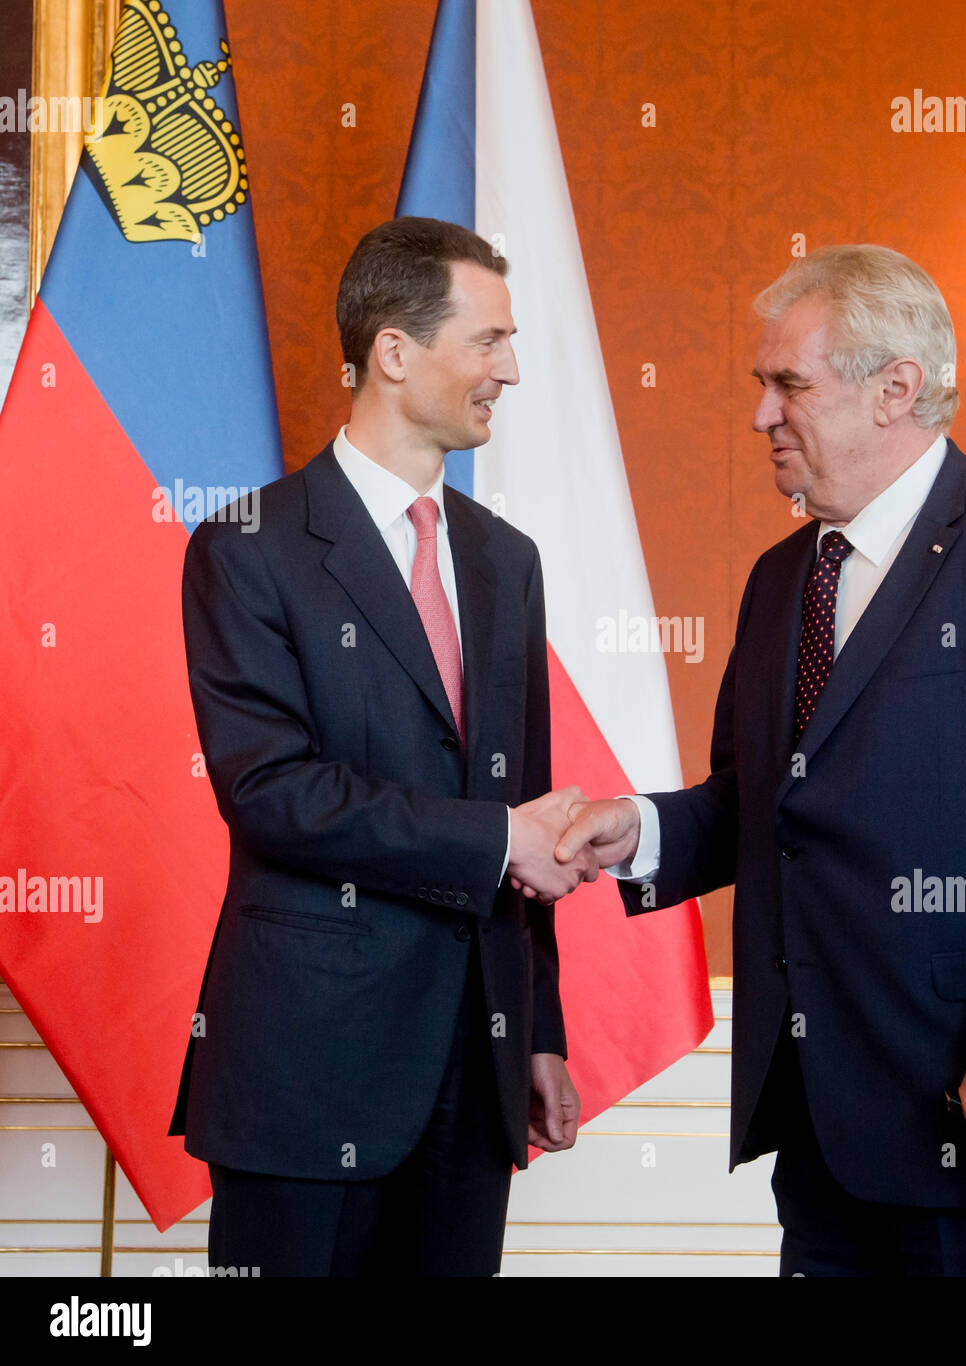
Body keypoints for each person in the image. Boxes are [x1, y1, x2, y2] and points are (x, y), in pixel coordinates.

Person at [552, 244, 966, 1276]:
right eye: (761, 385)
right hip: (827, 1141)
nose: (761, 414)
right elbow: (761, 805)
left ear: (897, 387)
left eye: (787, 384)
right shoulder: (779, 580)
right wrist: (646, 829)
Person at [170, 217, 596, 1277]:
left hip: (476, 1070)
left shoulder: (508, 561)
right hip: (307, 1069)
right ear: (396, 352)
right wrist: (496, 836)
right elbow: (272, 793)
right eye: (488, 341)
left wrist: (536, 1027)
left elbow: (529, 816)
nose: (510, 370)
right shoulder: (246, 548)